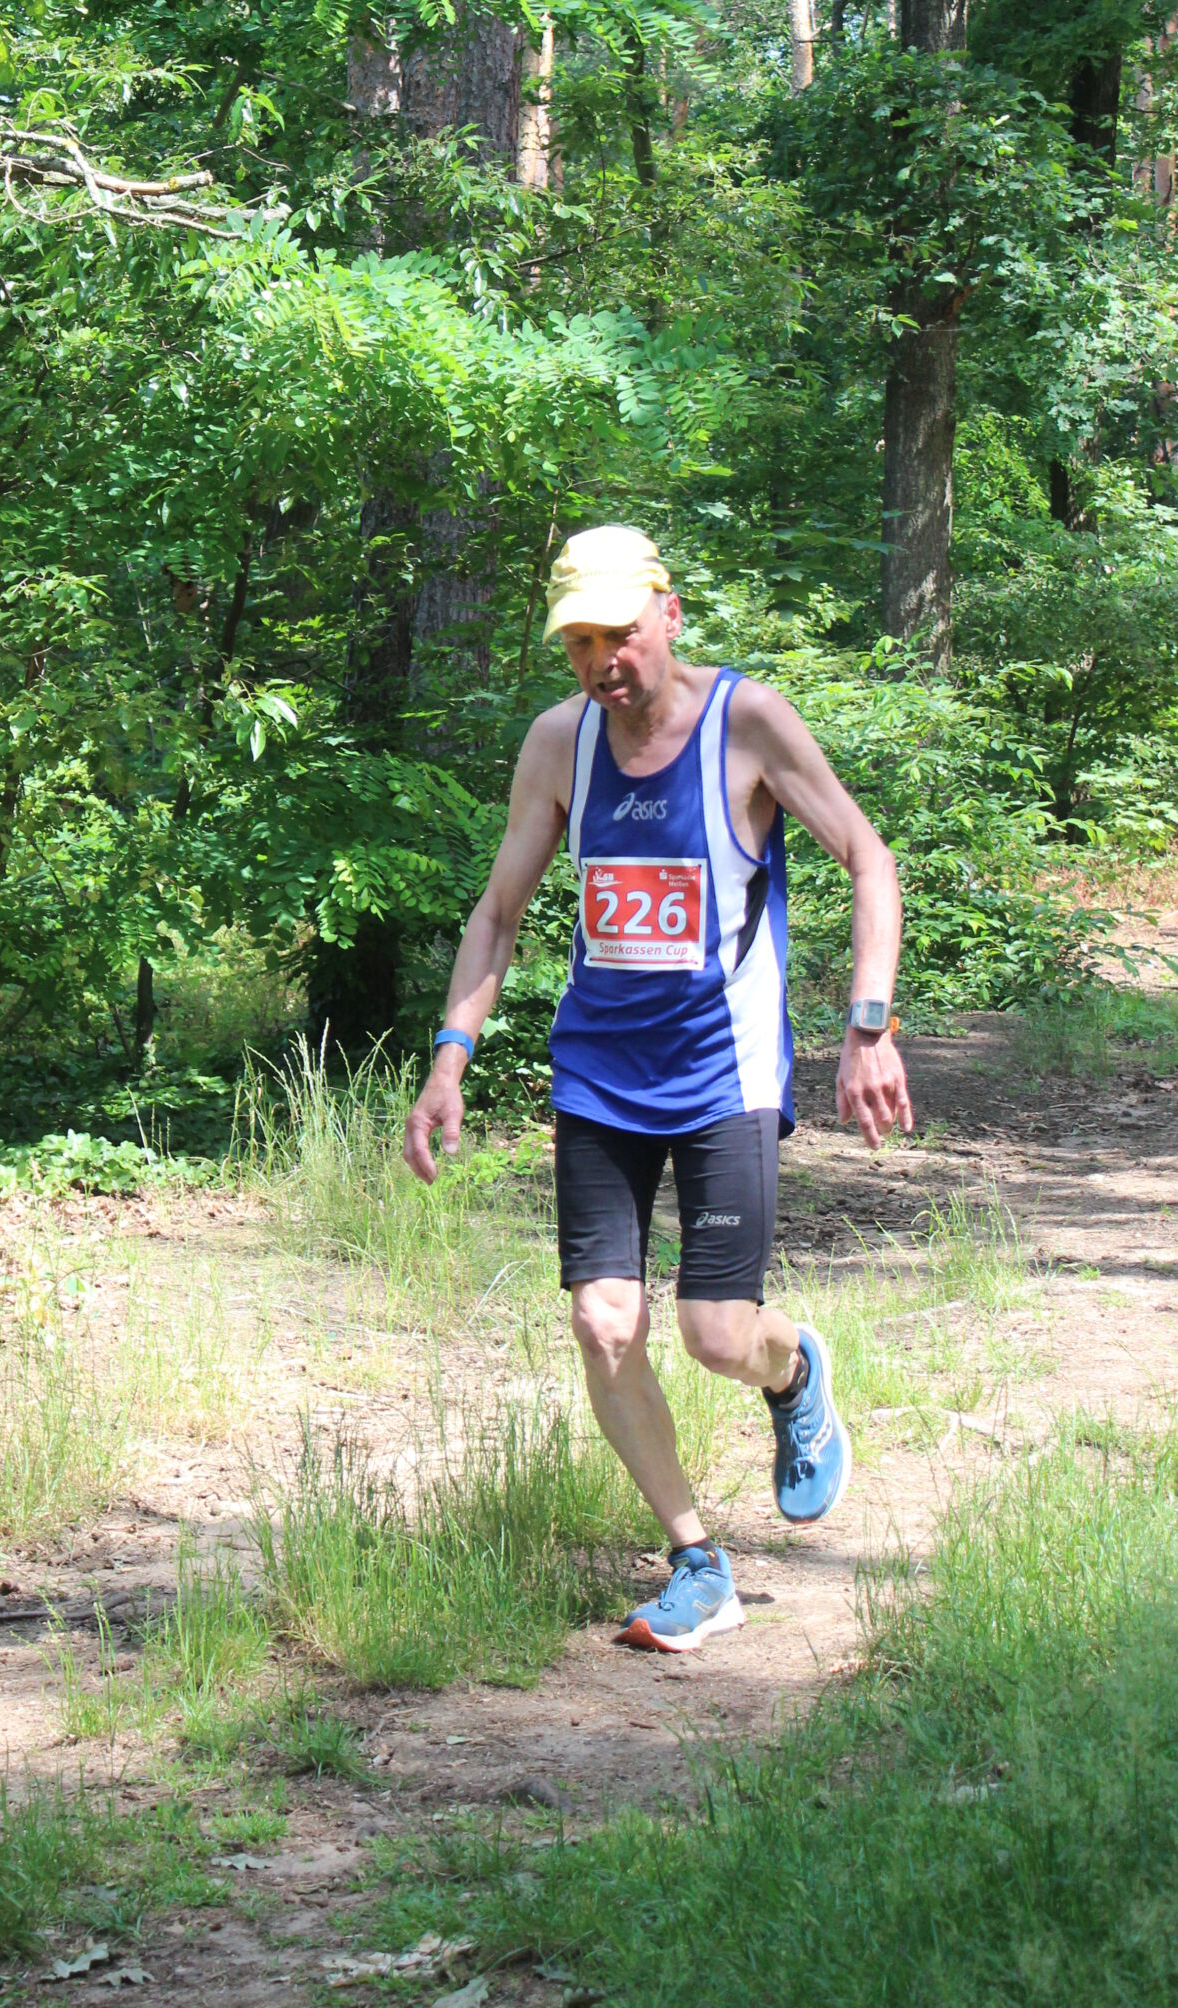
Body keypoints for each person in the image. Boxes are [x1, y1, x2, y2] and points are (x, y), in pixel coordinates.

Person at [403, 525, 913, 1652]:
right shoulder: (559, 743)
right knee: (603, 1321)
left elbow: (868, 858)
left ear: (668, 614)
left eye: (619, 634)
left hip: (724, 1069)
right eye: (578, 643)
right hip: (598, 1073)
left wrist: (868, 1025)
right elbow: (497, 913)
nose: (602, 662)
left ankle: (792, 1368)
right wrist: (449, 1060)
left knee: (716, 1335)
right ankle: (696, 1562)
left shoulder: (748, 722)